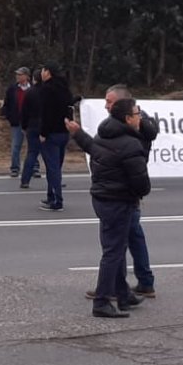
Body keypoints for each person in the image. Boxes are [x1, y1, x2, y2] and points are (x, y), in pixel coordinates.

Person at [66, 98, 151, 318]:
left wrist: (78, 134)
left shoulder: (104, 134)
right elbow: (142, 183)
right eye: (136, 113)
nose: (139, 117)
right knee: (113, 253)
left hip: (102, 199)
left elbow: (93, 149)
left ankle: (123, 295)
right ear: (127, 118)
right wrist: (139, 193)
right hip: (119, 201)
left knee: (116, 248)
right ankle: (102, 301)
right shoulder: (131, 144)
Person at [79, 85, 159, 300]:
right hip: (126, 190)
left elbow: (117, 155)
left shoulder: (130, 129)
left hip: (122, 191)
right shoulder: (132, 125)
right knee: (131, 235)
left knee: (117, 243)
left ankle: (112, 288)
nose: (106, 106)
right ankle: (140, 282)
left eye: (110, 102)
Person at [37, 63, 73, 212]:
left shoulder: (47, 89)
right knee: (56, 166)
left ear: (48, 72)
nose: (41, 73)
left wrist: (43, 133)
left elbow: (46, 114)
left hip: (51, 133)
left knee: (52, 168)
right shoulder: (65, 88)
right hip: (64, 132)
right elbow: (70, 107)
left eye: (44, 70)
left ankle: (57, 200)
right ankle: (51, 195)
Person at [18, 67, 45, 189]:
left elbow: (24, 111)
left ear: (33, 79)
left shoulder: (30, 92)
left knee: (31, 153)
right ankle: (55, 179)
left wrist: (24, 126)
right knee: (49, 154)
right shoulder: (47, 92)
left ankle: (25, 180)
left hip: (32, 125)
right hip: (45, 125)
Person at [2, 66, 31, 178]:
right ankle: (15, 168)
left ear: (26, 76)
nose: (17, 77)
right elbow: (7, 103)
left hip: (30, 122)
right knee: (15, 146)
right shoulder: (12, 89)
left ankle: (34, 168)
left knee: (32, 146)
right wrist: (8, 116)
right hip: (17, 122)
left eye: (20, 74)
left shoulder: (33, 88)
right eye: (17, 74)